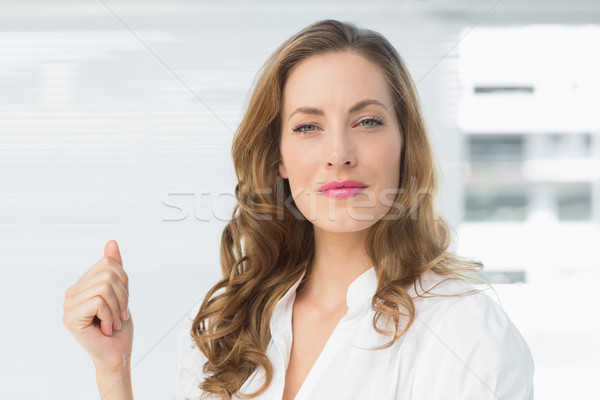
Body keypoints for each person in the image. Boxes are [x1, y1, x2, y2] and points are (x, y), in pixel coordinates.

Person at [63, 19, 534, 400]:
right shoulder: (228, 325)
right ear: (279, 159)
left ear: (405, 144)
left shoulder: (466, 332)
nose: (339, 153)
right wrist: (114, 370)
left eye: (367, 121)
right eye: (309, 127)